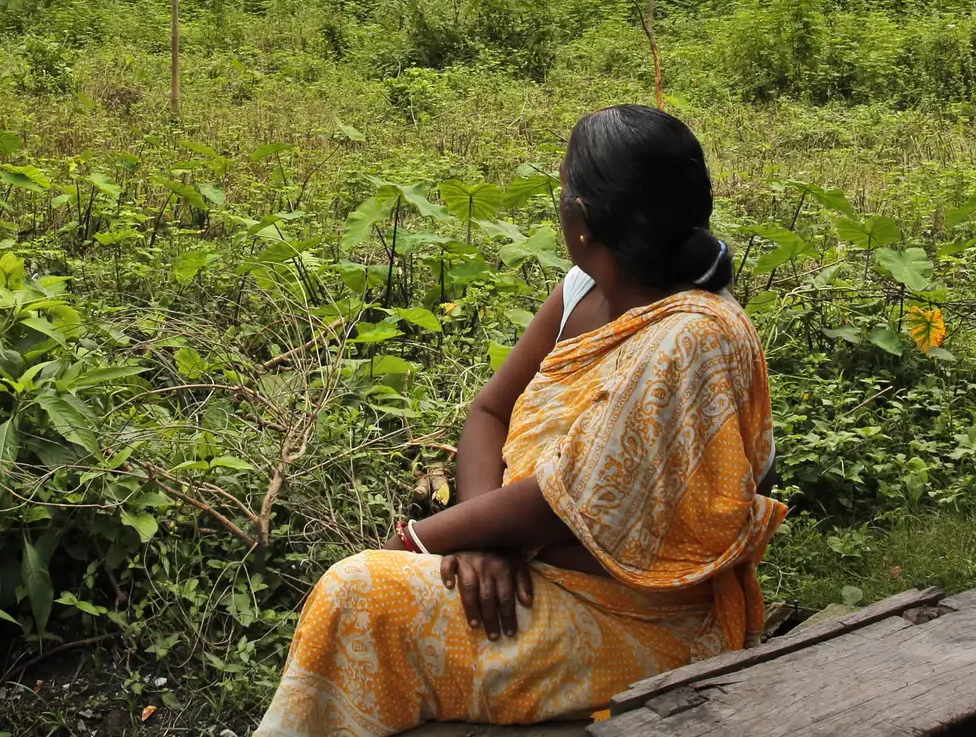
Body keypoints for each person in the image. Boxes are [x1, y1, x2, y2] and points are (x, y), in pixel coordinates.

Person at [253, 105, 786, 737]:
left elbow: (567, 503)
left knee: (359, 590)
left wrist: (422, 539)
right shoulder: (584, 292)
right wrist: (486, 541)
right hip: (527, 574)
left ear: (580, 221)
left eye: (564, 192)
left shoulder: (691, 339)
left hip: (635, 620)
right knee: (370, 600)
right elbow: (489, 411)